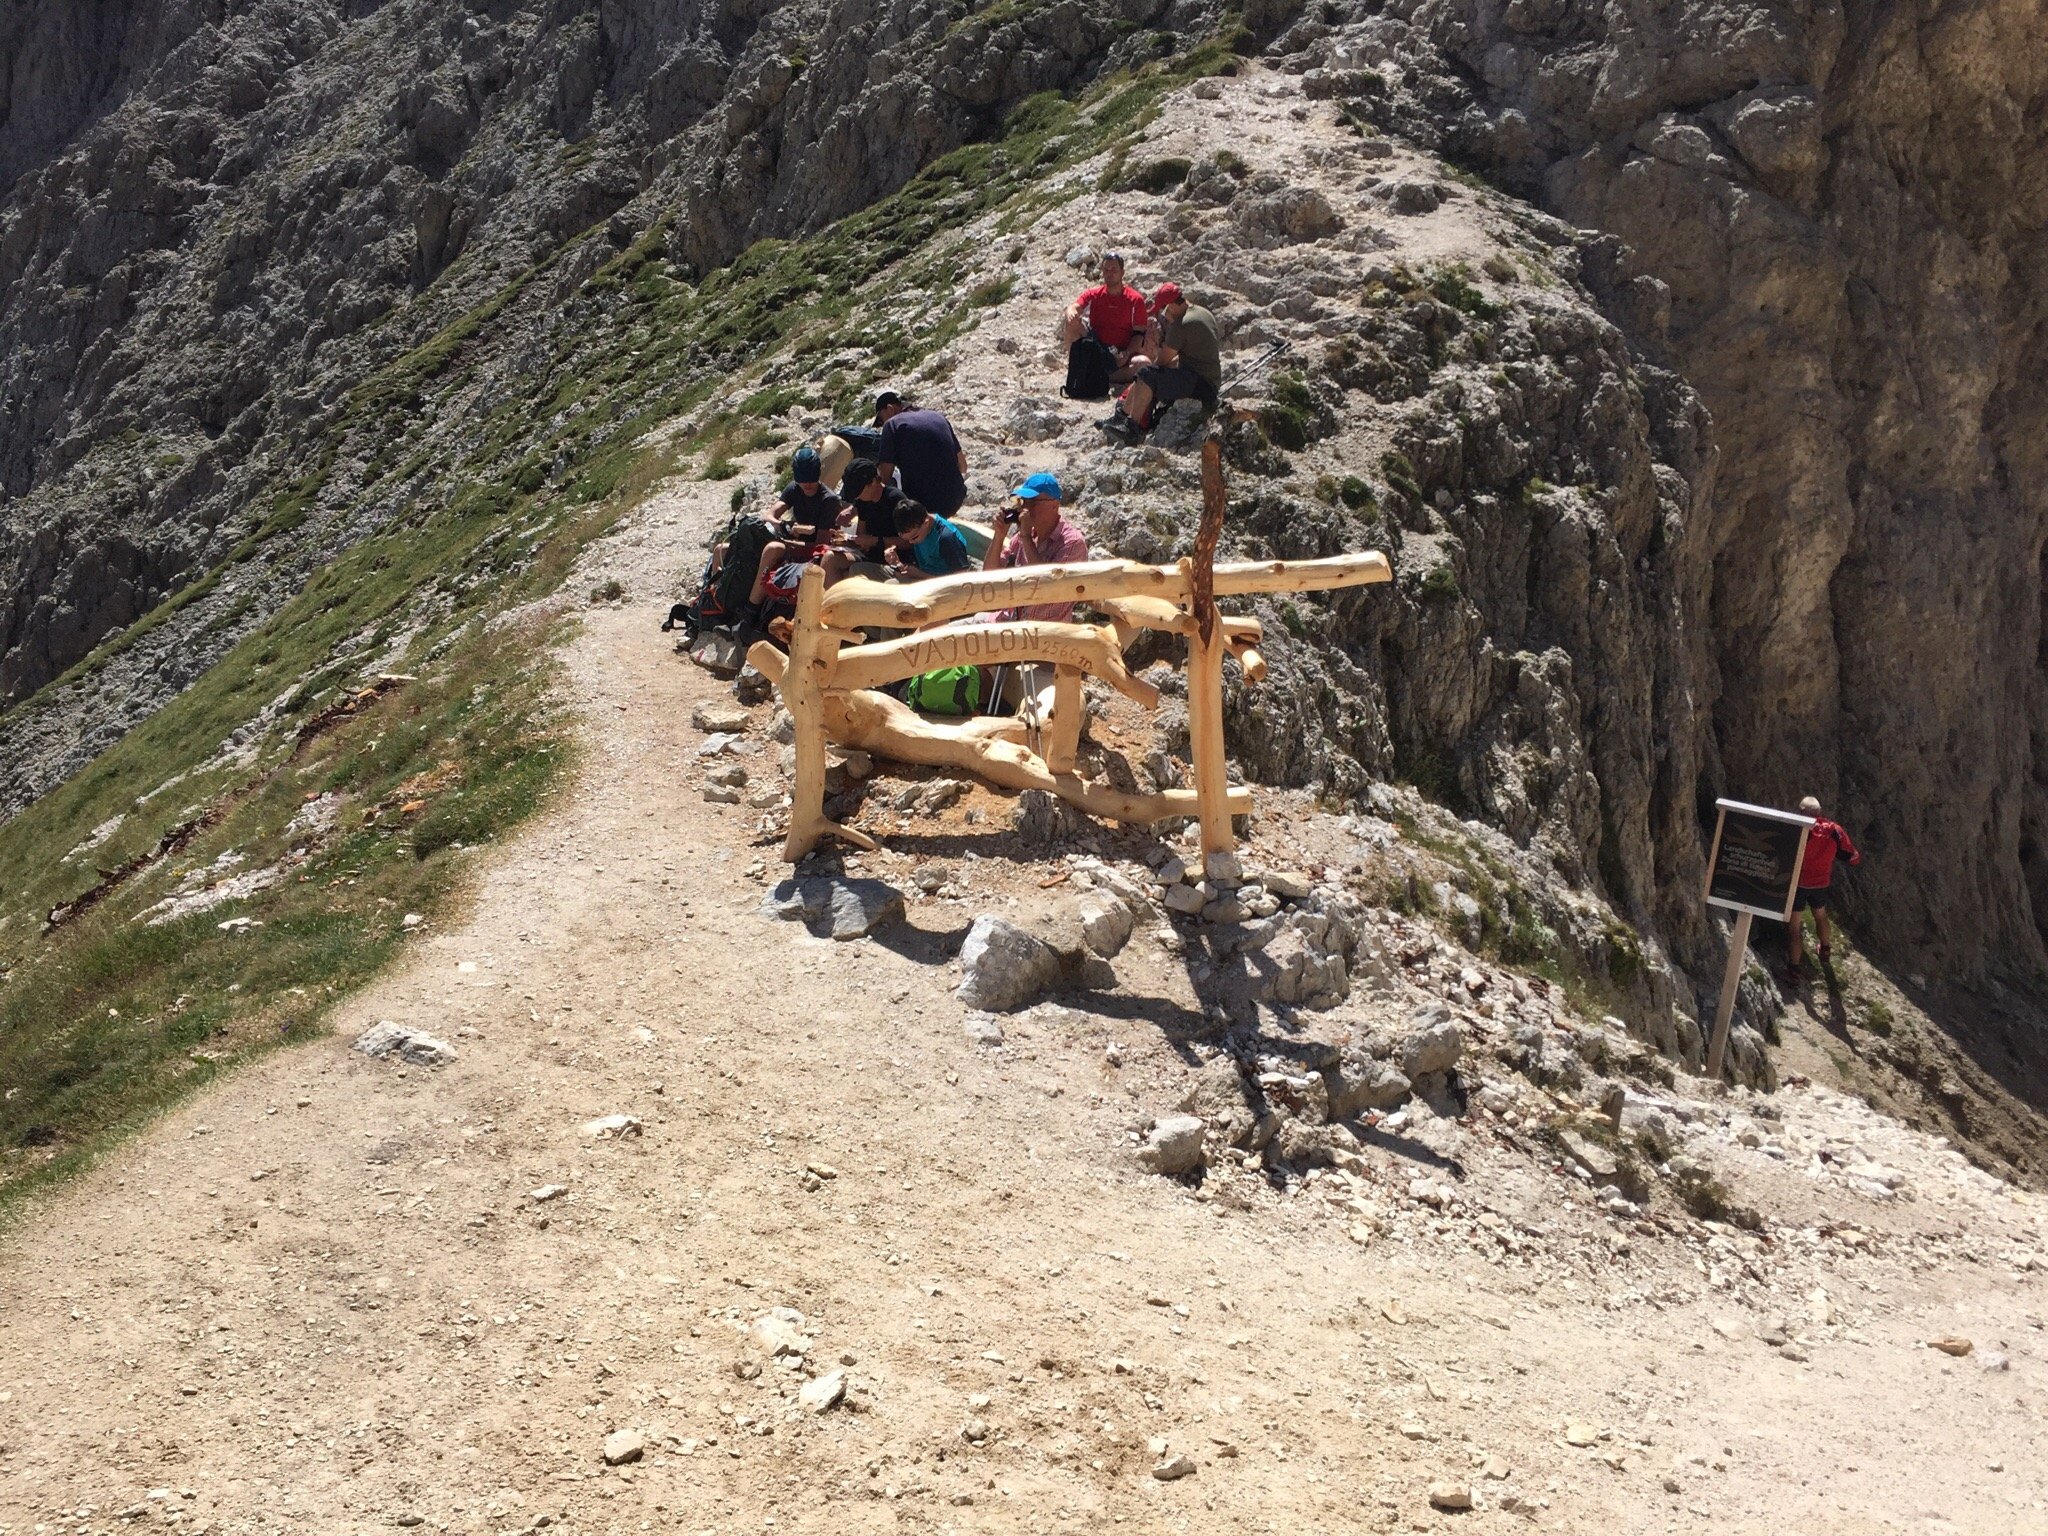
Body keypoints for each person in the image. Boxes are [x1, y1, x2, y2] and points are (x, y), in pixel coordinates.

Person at [1103, 282, 1222, 443]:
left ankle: (1132, 428)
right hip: (1209, 382)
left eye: (1164, 308)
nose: (1163, 313)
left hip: (1199, 384)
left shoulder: (1181, 325)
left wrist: (1146, 374)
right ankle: (1121, 418)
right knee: (1147, 374)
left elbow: (1162, 361)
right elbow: (1185, 357)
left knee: (1147, 374)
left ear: (1171, 306)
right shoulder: (1203, 313)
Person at [984, 472, 1090, 621]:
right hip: (1009, 620)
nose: (1025, 509)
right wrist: (999, 536)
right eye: (1023, 502)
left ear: (1054, 505)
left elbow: (1048, 586)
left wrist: (1026, 539)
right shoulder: (1025, 536)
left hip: (1041, 633)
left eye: (1033, 502)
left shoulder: (1072, 543)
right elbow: (989, 575)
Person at [745, 447, 838, 606]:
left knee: (772, 549)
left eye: (811, 479)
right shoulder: (794, 489)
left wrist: (790, 544)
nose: (807, 484)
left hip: (814, 551)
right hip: (796, 542)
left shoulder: (828, 500)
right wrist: (783, 525)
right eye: (803, 480)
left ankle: (751, 609)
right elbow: (769, 514)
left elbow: (821, 545)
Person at [1785, 795, 1861, 972]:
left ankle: (1793, 969)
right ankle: (1825, 948)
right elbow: (1852, 857)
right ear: (1819, 812)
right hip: (1820, 883)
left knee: (1794, 926)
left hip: (1799, 883)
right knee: (1820, 914)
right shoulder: (1834, 830)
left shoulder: (1799, 828)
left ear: (1802, 811)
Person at [1062, 252, 1151, 385]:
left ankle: (1101, 376)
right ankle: (1079, 367)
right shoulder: (1094, 295)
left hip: (1120, 352)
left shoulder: (1135, 300)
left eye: (1114, 270)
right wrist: (1071, 311)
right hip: (1096, 347)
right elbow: (1075, 306)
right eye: (1106, 270)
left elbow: (1139, 334)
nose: (1110, 273)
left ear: (1122, 272)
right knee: (1072, 323)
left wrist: (1126, 354)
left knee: (1143, 364)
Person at [874, 392, 969, 517]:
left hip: (924, 503)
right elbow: (963, 466)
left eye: (881, 419)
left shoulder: (892, 424)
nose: (882, 424)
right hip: (955, 497)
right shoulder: (938, 417)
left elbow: (884, 477)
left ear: (890, 409)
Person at [822, 458, 907, 583]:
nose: (856, 496)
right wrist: (846, 540)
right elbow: (861, 537)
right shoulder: (863, 502)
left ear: (873, 482)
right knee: (829, 559)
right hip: (869, 556)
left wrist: (875, 541)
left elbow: (908, 542)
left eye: (858, 491)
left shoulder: (895, 499)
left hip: (894, 562)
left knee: (857, 570)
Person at [890, 499, 974, 579]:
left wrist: (919, 574)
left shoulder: (946, 538)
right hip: (922, 575)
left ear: (926, 523)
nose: (911, 542)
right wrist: (897, 562)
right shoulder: (920, 531)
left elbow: (960, 579)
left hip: (940, 585)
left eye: (914, 537)